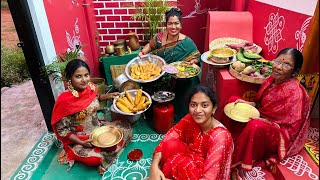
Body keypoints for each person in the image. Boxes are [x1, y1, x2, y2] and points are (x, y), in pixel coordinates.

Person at [230, 48, 311, 177]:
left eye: (286, 65)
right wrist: (249, 104)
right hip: (263, 117)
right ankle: (230, 140)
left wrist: (264, 121)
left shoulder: (294, 93)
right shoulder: (270, 80)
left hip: (281, 133)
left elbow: (291, 130)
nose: (279, 67)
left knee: (255, 125)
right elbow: (260, 105)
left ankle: (235, 160)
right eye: (278, 61)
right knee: (234, 102)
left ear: (294, 72)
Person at [51, 59, 131, 175]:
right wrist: (81, 142)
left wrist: (109, 95)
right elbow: (62, 130)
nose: (84, 80)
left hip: (99, 128)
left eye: (86, 75)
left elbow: (95, 98)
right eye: (78, 76)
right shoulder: (65, 101)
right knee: (94, 159)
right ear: (70, 78)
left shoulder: (90, 88)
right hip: (81, 138)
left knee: (127, 128)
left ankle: (107, 156)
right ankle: (103, 159)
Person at [149, 85, 234, 180]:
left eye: (204, 105)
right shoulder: (190, 119)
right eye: (193, 105)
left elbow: (210, 176)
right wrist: (154, 166)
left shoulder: (220, 137)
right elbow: (169, 138)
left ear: (214, 108)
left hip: (206, 174)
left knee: (182, 163)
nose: (198, 110)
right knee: (170, 145)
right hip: (193, 159)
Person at [138, 7, 201, 121]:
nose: (173, 27)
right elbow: (149, 45)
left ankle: (180, 115)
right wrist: (142, 53)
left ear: (181, 25)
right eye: (170, 23)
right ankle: (154, 115)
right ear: (165, 25)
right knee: (145, 83)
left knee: (191, 81)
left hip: (176, 76)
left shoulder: (187, 42)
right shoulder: (159, 37)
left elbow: (196, 56)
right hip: (159, 73)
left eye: (176, 23)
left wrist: (193, 61)